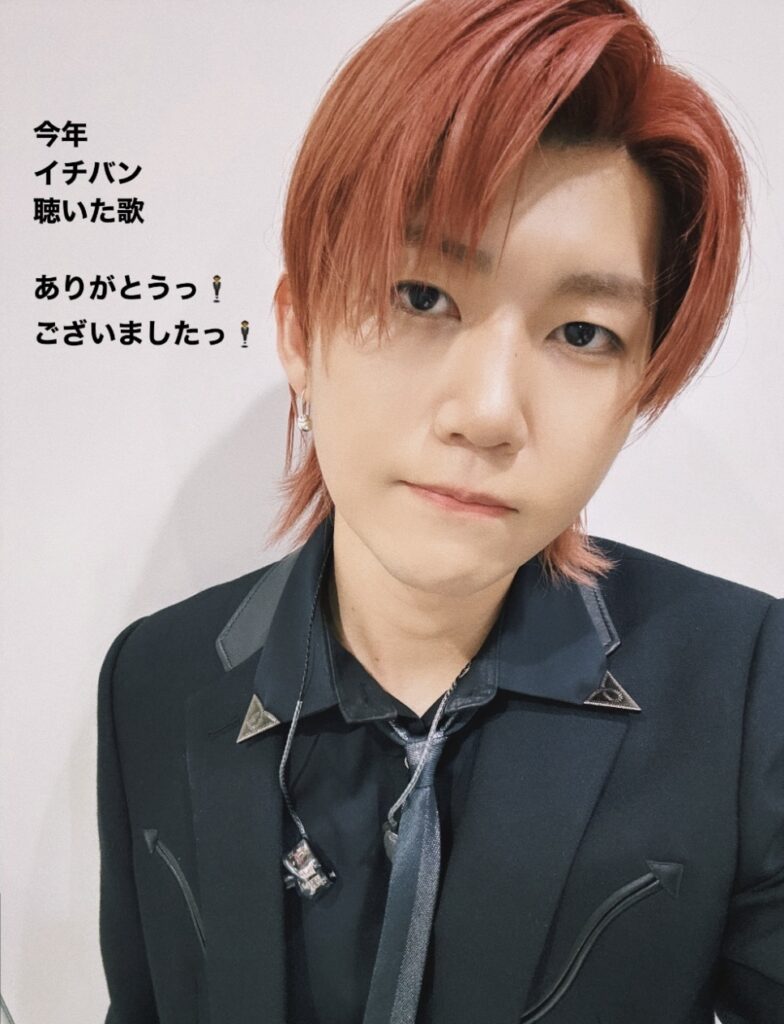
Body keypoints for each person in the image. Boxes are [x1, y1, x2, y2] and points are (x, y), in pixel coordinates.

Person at [96, 0, 783, 1022]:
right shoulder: (156, 674)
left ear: (640, 381)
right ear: (300, 331)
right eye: (421, 296)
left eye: (583, 332)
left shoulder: (746, 682)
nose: (489, 413)